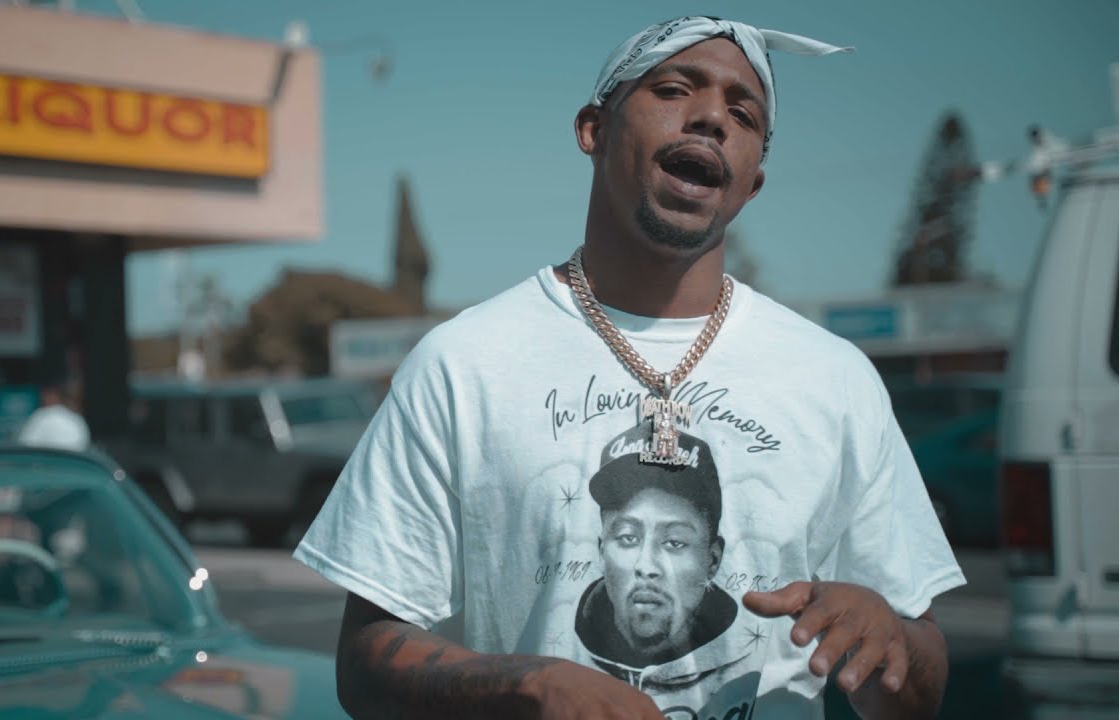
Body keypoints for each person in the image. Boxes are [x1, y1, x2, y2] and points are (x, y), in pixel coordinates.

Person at [295, 14, 965, 720]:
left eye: (744, 114)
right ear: (594, 129)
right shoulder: (462, 366)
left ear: (752, 184)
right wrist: (525, 686)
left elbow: (917, 691)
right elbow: (363, 664)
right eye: (674, 89)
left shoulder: (836, 380)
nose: (712, 118)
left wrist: (889, 643)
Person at [576, 427, 742, 698]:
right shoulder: (558, 649)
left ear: (713, 559)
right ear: (601, 550)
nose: (647, 567)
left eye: (674, 542)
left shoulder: (750, 662)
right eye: (628, 538)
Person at [16, 380, 90, 452]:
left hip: (47, 459)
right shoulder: (78, 419)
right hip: (71, 460)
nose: (42, 398)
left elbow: (24, 449)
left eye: (45, 395)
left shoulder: (41, 415)